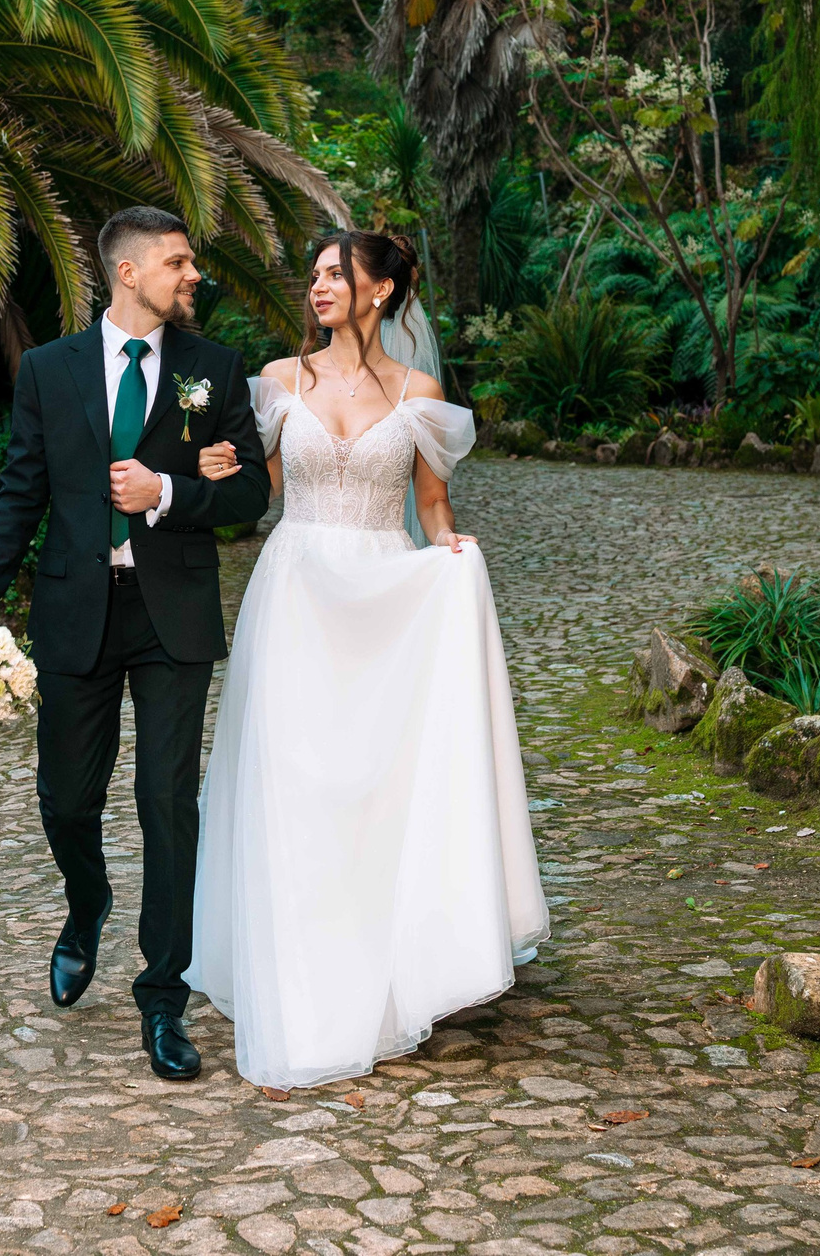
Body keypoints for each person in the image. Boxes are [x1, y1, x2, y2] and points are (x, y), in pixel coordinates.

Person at [184, 230, 548, 1089]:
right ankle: (296, 970)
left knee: (374, 785)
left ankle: (387, 968)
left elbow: (431, 505)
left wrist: (457, 555)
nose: (317, 288)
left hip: (385, 599)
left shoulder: (419, 393)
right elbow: (259, 490)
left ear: (380, 291)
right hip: (298, 593)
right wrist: (204, 471)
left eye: (334, 275)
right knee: (294, 782)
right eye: (312, 275)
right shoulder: (279, 381)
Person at [0, 206, 271, 1083]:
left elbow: (248, 494)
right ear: (128, 272)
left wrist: (167, 488)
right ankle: (85, 902)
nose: (192, 276)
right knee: (65, 798)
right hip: (74, 611)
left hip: (173, 615)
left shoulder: (215, 369)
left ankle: (162, 997)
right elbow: (22, 490)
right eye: (178, 263)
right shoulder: (48, 370)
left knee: (168, 804)